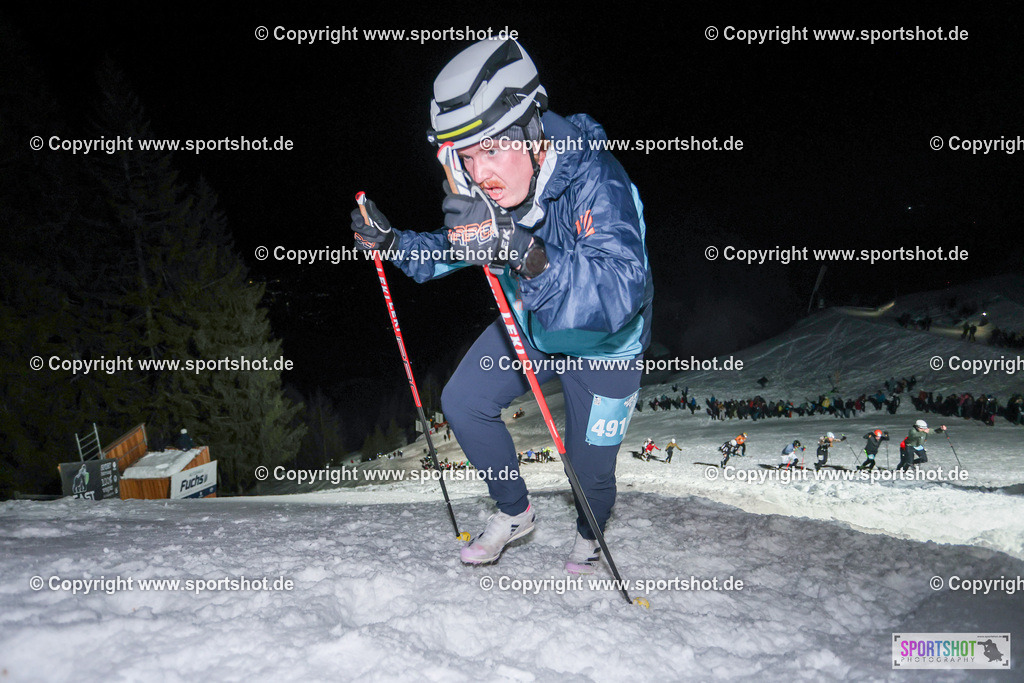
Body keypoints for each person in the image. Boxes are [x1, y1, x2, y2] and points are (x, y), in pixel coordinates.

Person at [350, 38, 652, 573]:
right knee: (463, 402)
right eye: (467, 156)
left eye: (491, 149)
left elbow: (620, 289)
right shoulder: (497, 190)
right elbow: (454, 248)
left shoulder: (599, 181)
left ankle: (590, 532)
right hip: (532, 329)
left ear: (532, 131)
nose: (479, 171)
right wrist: (394, 243)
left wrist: (522, 250)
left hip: (606, 350)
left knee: (589, 470)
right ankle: (515, 511)